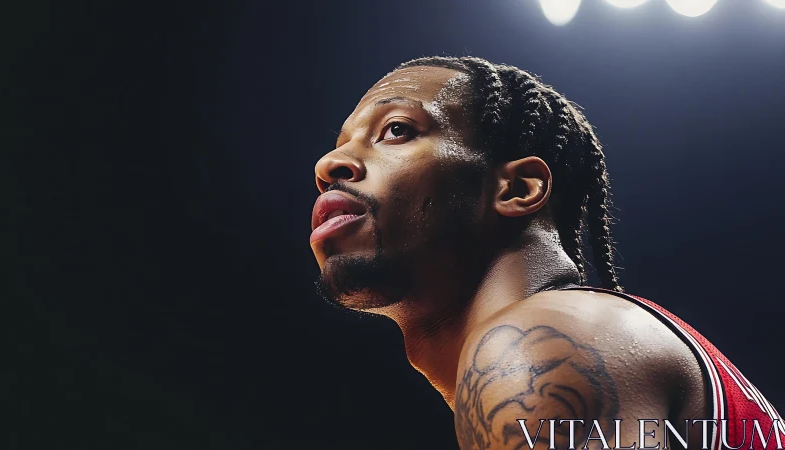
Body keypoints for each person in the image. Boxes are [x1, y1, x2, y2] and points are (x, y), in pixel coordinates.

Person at [309, 56, 782, 450]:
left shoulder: (533, 348)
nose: (329, 165)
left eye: (396, 130)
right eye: (339, 145)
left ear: (516, 188)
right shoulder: (580, 337)